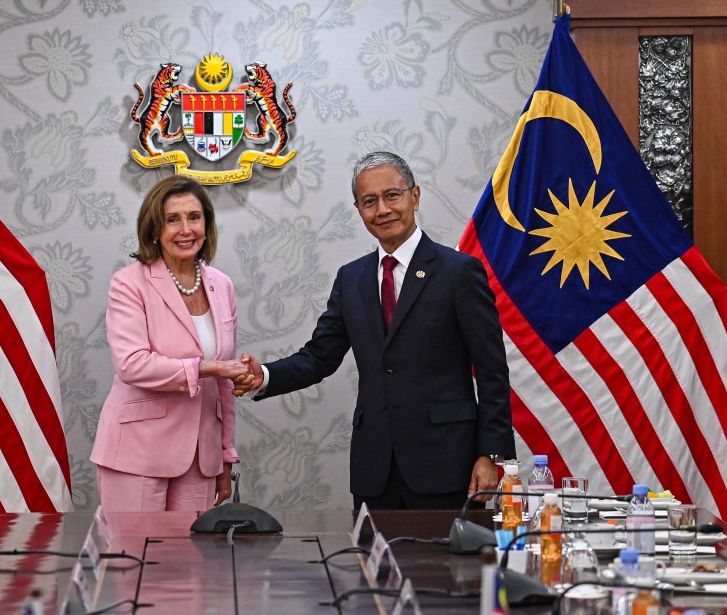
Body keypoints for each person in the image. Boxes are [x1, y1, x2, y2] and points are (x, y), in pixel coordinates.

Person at [236, 151, 515, 510]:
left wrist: (491, 454)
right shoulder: (351, 278)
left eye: (392, 196)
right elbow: (320, 356)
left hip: (448, 464)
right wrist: (263, 375)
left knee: (448, 567)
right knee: (373, 567)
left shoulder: (459, 272)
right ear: (359, 210)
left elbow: (492, 371)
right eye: (369, 201)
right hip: (375, 469)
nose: (382, 209)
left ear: (415, 196)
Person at [91, 175, 253, 512]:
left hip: (200, 458)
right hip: (137, 452)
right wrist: (207, 367)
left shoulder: (221, 285)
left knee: (191, 563)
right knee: (132, 560)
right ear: (154, 229)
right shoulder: (129, 283)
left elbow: (225, 385)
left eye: (194, 217)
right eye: (172, 219)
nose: (186, 229)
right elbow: (132, 364)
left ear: (206, 225)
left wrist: (225, 453)